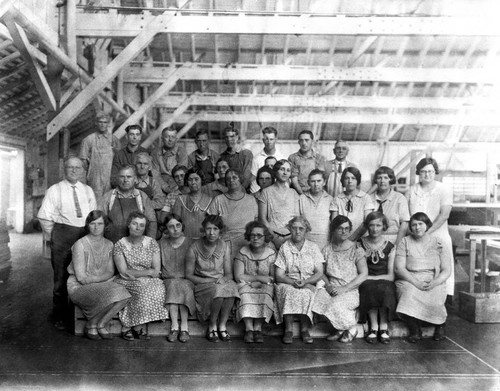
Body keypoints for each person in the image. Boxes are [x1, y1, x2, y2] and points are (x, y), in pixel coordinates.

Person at [38, 156, 97, 329]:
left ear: (82, 170)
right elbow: (45, 216)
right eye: (70, 167)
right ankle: (60, 316)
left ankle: (82, 315)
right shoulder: (54, 190)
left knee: (83, 274)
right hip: (63, 234)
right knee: (61, 277)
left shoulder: (87, 190)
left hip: (84, 234)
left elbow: (93, 215)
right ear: (64, 169)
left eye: (77, 168)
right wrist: (55, 235)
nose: (73, 170)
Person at [67, 210, 131, 340]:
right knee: (111, 293)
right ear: (87, 225)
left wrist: (99, 280)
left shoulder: (109, 244)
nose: (96, 227)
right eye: (92, 224)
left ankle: (99, 324)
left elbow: (109, 272)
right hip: (79, 287)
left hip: (101, 283)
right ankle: (91, 326)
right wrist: (102, 281)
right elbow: (81, 278)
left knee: (125, 295)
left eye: (100, 224)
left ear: (105, 225)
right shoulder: (80, 244)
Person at [394, 212, 451, 343]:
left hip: (432, 278)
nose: (417, 227)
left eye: (420, 224)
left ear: (427, 225)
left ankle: (439, 325)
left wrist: (435, 282)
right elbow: (399, 268)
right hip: (409, 278)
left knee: (436, 293)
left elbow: (447, 270)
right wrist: (415, 282)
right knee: (408, 292)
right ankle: (414, 329)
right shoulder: (405, 242)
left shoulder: (439, 242)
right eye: (414, 225)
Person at [113, 211, 169, 341]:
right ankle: (134, 327)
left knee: (159, 289)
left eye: (141, 225)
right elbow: (124, 271)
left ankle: (132, 326)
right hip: (126, 280)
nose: (138, 228)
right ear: (128, 225)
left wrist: (149, 273)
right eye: (135, 224)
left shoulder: (152, 243)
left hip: (150, 279)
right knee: (141, 289)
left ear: (145, 228)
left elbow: (156, 270)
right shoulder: (120, 244)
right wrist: (148, 272)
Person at [312, 215, 368, 343]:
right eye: (340, 228)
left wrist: (344, 288)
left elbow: (364, 274)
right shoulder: (327, 249)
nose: (344, 232)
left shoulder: (356, 249)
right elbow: (321, 273)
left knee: (336, 304)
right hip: (333, 288)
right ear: (333, 230)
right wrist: (328, 286)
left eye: (347, 229)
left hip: (351, 289)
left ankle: (352, 328)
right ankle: (341, 329)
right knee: (317, 300)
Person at [185, 215, 240, 342]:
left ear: (220, 231)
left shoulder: (224, 246)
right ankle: (212, 324)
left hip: (220, 282)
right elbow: (188, 275)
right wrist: (209, 281)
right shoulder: (194, 248)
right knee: (219, 292)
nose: (211, 232)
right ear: (204, 230)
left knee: (231, 288)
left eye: (215, 229)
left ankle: (222, 325)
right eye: (208, 229)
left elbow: (229, 274)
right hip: (202, 284)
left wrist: (224, 279)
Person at [406, 157, 454, 297]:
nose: (427, 175)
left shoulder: (444, 189)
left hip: (439, 234)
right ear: (418, 173)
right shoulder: (411, 190)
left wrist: (426, 232)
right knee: (418, 268)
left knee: (441, 267)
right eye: (423, 171)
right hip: (415, 235)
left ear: (435, 172)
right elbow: (407, 215)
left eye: (430, 171)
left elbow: (444, 215)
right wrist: (417, 233)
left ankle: (444, 297)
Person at [274, 216, 324, 344]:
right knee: (289, 292)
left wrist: (306, 282)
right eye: (294, 228)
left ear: (306, 230)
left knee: (307, 293)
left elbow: (320, 272)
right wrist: (293, 282)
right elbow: (279, 274)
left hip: (308, 281)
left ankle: (304, 329)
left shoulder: (313, 247)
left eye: (301, 228)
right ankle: (288, 330)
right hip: (288, 281)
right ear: (290, 229)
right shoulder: (285, 247)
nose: (297, 231)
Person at [357, 212, 397, 344]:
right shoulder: (359, 244)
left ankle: (384, 327)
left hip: (384, 280)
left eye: (378, 225)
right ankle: (373, 327)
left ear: (384, 226)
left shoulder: (390, 247)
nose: (374, 229)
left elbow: (391, 276)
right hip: (365, 281)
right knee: (369, 287)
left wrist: (370, 278)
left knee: (385, 288)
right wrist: (366, 278)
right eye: (371, 225)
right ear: (367, 226)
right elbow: (359, 271)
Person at [234, 221, 276, 344]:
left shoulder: (271, 253)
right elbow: (238, 276)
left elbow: (273, 277)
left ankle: (258, 328)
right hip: (245, 284)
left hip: (265, 285)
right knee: (245, 294)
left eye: (259, 235)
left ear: (265, 237)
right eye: (252, 235)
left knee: (266, 294)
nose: (255, 238)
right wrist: (258, 279)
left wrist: (260, 281)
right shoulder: (243, 252)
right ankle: (248, 329)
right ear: (248, 236)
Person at [159, 214, 196, 343]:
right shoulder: (161, 244)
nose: (175, 229)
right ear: (166, 229)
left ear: (182, 226)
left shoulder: (191, 243)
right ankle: (175, 326)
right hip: (168, 280)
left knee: (182, 285)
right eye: (171, 227)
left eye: (178, 225)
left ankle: (183, 326)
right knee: (174, 285)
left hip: (187, 279)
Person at [208, 169, 258, 260]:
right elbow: (210, 223)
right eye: (228, 179)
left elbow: (256, 222)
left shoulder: (251, 200)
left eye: (234, 177)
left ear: (240, 179)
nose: (231, 180)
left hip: (247, 241)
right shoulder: (219, 200)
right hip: (226, 242)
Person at [99, 165, 157, 243]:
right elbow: (99, 221)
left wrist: (149, 243)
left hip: (137, 245)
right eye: (122, 177)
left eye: (129, 177)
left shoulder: (142, 196)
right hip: (112, 244)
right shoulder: (108, 196)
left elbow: (152, 222)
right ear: (117, 179)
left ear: (135, 179)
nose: (125, 180)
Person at [79, 111, 120, 203]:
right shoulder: (88, 139)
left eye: (105, 122)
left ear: (108, 124)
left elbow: (119, 160)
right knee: (94, 202)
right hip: (94, 178)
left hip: (110, 178)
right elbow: (83, 162)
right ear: (96, 123)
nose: (102, 125)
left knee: (110, 202)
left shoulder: (114, 140)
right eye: (100, 122)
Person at [258, 159, 300, 249]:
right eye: (282, 169)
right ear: (275, 171)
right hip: (272, 238)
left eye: (288, 170)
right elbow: (262, 219)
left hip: (290, 237)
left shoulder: (293, 193)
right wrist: (274, 238)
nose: (285, 173)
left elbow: (297, 218)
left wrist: (291, 237)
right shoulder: (266, 192)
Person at [332, 167, 374, 241]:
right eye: (346, 178)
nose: (350, 181)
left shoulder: (366, 198)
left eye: (353, 178)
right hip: (342, 240)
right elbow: (335, 223)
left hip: (361, 239)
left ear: (357, 180)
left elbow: (367, 222)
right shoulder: (337, 199)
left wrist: (351, 239)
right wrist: (343, 240)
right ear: (343, 181)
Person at [371, 166, 410, 246]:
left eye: (386, 178)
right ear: (376, 180)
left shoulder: (399, 198)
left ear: (391, 180)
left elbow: (404, 224)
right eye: (379, 178)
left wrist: (396, 246)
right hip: (372, 241)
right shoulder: (369, 198)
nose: (382, 181)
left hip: (392, 240)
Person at [299, 169, 335, 249]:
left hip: (325, 242)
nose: (316, 184)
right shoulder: (301, 198)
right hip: (306, 242)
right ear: (308, 183)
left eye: (319, 181)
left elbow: (333, 223)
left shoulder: (330, 199)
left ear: (324, 182)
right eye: (313, 181)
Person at [172, 168, 213, 240]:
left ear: (202, 180)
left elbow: (212, 225)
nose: (193, 182)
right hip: (184, 241)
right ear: (187, 182)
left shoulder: (209, 200)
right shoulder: (181, 200)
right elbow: (176, 223)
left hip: (204, 241)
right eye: (190, 180)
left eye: (196, 179)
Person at [288, 130, 327, 195]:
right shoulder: (293, 158)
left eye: (307, 140)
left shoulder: (320, 158)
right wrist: (302, 195)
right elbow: (294, 179)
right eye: (301, 140)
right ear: (298, 142)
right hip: (298, 194)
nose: (304, 143)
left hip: (315, 194)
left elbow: (320, 180)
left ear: (312, 142)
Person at [151, 127, 188, 194]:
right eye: (167, 137)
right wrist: (165, 187)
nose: (170, 140)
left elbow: (182, 174)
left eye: (173, 137)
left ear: (176, 139)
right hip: (160, 185)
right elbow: (155, 174)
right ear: (162, 139)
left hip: (178, 185)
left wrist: (175, 189)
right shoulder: (155, 153)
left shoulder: (181, 151)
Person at [249, 127, 285, 193]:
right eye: (266, 139)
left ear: (276, 140)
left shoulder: (281, 158)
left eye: (271, 139)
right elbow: (253, 181)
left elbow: (284, 180)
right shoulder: (257, 159)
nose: (269, 142)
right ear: (263, 140)